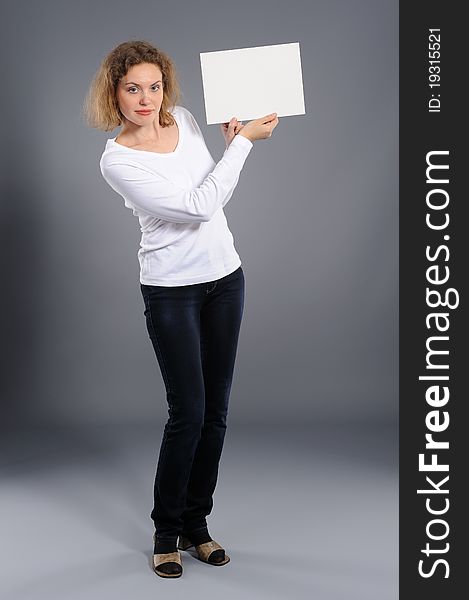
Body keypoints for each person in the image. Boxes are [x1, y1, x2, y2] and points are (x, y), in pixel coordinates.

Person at [83, 40, 278, 579]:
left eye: (154, 85)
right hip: (172, 290)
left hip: (226, 279)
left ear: (165, 86)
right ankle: (165, 532)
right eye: (132, 88)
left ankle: (198, 527)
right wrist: (244, 147)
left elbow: (203, 182)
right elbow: (200, 205)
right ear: (114, 93)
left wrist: (228, 143)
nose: (146, 99)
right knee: (187, 413)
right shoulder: (117, 159)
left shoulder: (187, 121)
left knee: (216, 412)